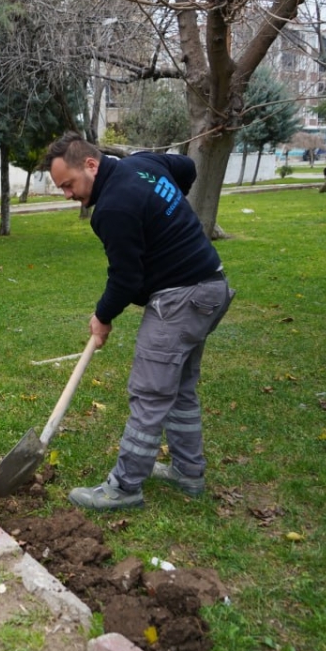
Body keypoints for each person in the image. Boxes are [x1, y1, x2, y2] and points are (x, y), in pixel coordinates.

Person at [44, 132, 234, 512]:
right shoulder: (144, 164)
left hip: (180, 299)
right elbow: (187, 168)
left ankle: (125, 486)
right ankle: (187, 471)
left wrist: (101, 317)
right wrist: (163, 212)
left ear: (92, 165)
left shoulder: (113, 208)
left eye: (69, 185)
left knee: (149, 394)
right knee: (179, 389)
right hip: (211, 287)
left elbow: (126, 279)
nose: (68, 195)